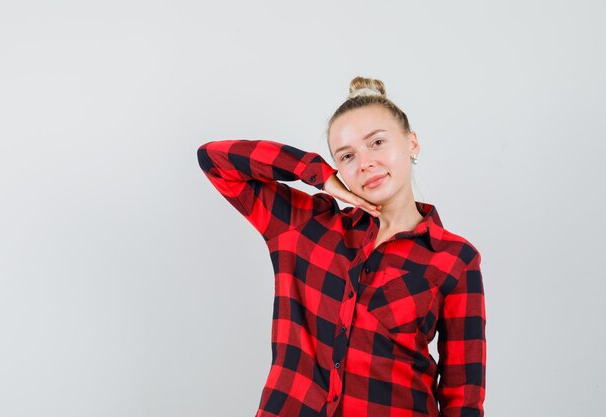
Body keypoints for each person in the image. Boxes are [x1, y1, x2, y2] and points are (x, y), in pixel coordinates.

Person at [197, 76, 486, 417]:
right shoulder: (304, 226)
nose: (364, 163)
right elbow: (214, 160)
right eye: (347, 156)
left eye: (377, 142)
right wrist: (317, 173)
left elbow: (462, 399)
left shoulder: (455, 259)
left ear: (412, 143)